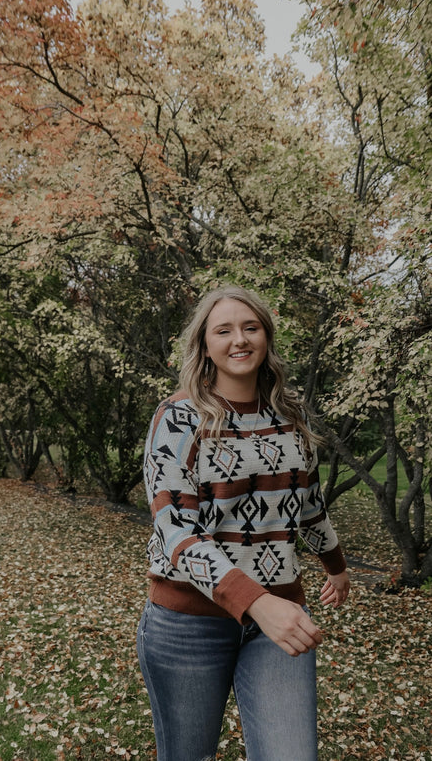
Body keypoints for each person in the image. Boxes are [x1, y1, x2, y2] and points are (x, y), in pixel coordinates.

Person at [137, 285, 350, 761]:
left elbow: (308, 501)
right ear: (205, 345)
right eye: (224, 330)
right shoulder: (178, 418)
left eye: (250, 327)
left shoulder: (289, 415)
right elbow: (175, 528)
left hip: (279, 621)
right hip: (188, 623)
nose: (239, 339)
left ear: (266, 338)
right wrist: (255, 601)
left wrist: (334, 565)